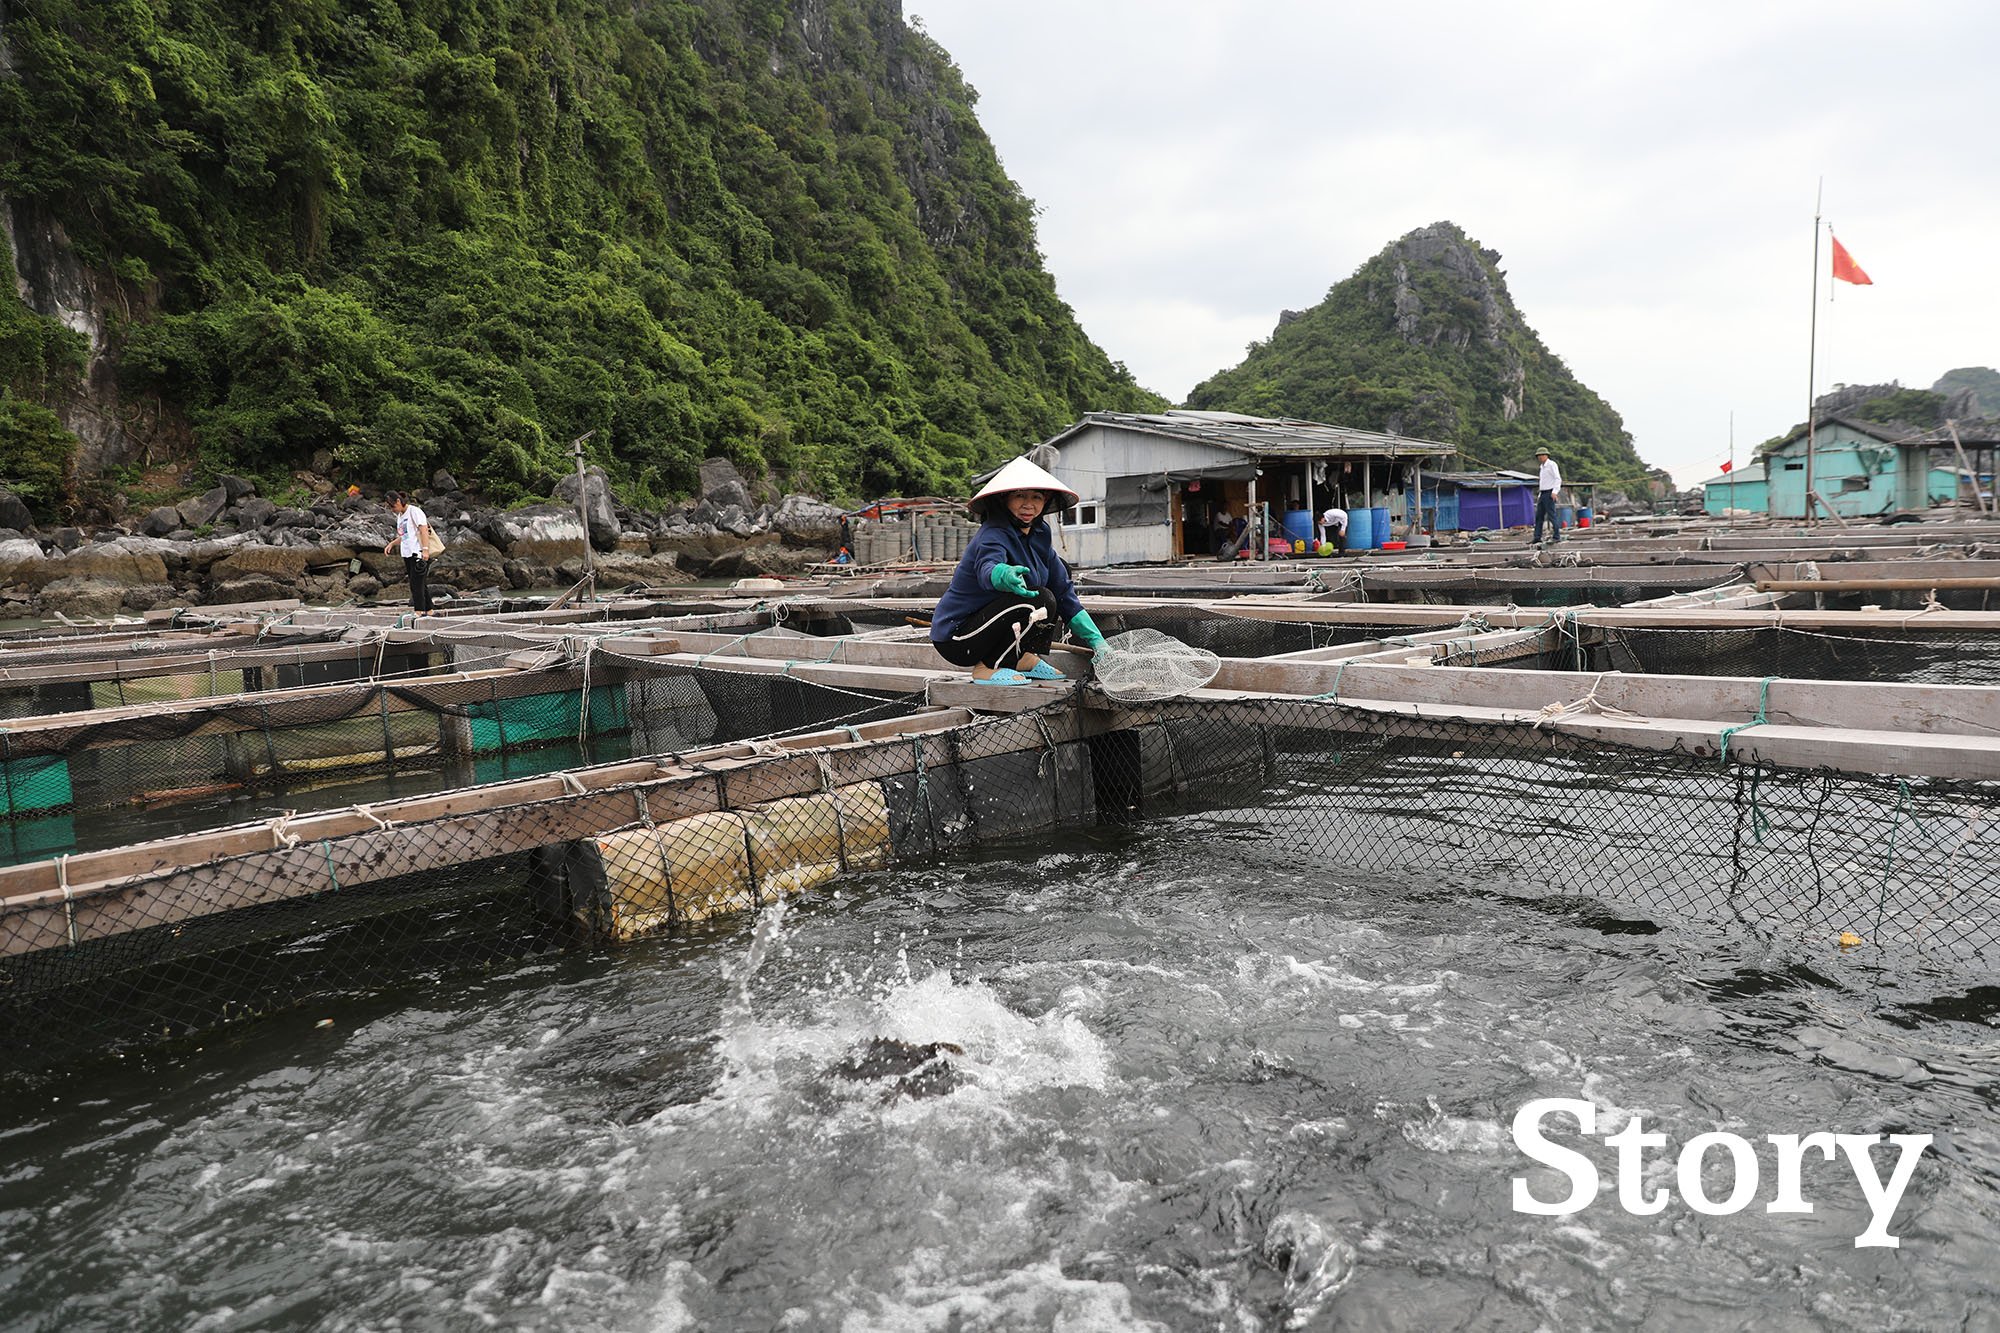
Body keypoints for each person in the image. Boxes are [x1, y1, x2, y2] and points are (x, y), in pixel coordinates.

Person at [930, 457, 1105, 686]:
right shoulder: (993, 532)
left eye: (1036, 497)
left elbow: (1064, 594)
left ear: (1046, 500)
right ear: (1005, 498)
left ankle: (1023, 658)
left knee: (1057, 580)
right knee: (1040, 599)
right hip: (958, 637)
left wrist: (1098, 641)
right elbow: (987, 567)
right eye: (1020, 496)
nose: (1028, 504)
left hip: (988, 629)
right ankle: (988, 667)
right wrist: (1003, 575)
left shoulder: (1040, 534)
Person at [383, 490, 434, 612]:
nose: (392, 510)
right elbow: (405, 535)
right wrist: (392, 543)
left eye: (393, 506)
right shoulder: (401, 516)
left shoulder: (414, 512)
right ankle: (429, 609)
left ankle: (419, 611)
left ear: (399, 501)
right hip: (407, 553)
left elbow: (423, 530)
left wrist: (425, 551)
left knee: (416, 584)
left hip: (418, 552)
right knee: (419, 583)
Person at [1532, 448, 1563, 546]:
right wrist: (1540, 494)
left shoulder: (1552, 464)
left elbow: (1557, 479)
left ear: (1546, 455)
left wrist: (1555, 492)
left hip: (1550, 492)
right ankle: (1537, 537)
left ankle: (1557, 536)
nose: (1540, 457)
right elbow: (1543, 482)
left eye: (1542, 455)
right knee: (1539, 516)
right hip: (1543, 493)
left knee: (1551, 515)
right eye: (1538, 456)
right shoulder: (1542, 467)